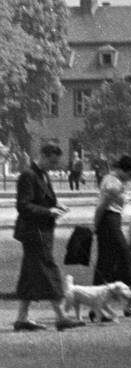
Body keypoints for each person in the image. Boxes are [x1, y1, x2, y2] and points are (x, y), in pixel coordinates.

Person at [12, 141, 85, 331]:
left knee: (30, 274)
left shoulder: (42, 174)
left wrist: (56, 206)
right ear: (42, 156)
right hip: (34, 232)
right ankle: (61, 316)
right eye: (51, 162)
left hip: (41, 231)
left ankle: (22, 318)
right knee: (49, 271)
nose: (54, 167)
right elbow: (23, 205)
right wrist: (48, 212)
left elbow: (42, 200)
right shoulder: (28, 175)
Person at [93, 154, 131, 318]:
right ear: (122, 170)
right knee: (126, 260)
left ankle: (97, 307)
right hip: (108, 222)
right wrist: (95, 226)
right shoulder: (111, 182)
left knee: (106, 265)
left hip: (114, 221)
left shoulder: (121, 182)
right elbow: (101, 206)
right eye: (130, 174)